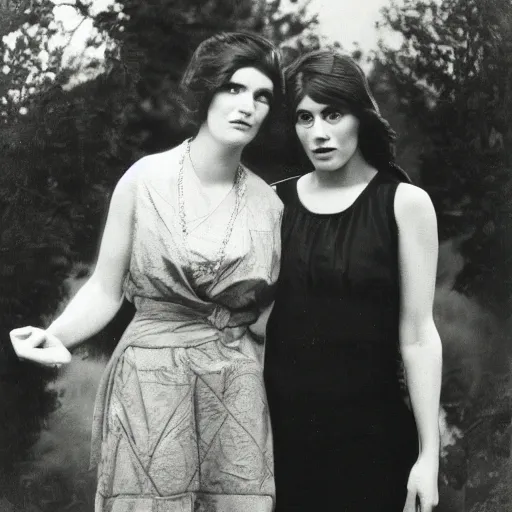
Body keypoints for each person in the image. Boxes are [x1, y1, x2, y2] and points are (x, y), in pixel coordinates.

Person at [10, 32, 284, 512]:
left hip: (235, 392)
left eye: (262, 96)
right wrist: (55, 335)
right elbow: (105, 287)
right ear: (206, 91)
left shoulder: (270, 205)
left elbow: (266, 323)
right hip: (151, 381)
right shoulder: (144, 179)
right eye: (235, 89)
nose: (248, 106)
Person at [264, 49, 442, 512]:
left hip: (375, 446)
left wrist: (429, 457)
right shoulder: (272, 204)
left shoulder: (405, 204)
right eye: (305, 118)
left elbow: (419, 335)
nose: (318, 133)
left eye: (333, 114)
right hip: (281, 448)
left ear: (360, 116)